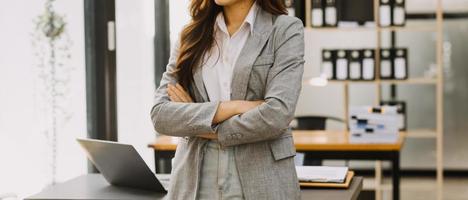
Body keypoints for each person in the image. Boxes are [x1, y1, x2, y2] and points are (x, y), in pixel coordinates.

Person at [150, 0, 304, 199]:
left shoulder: (284, 30)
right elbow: (161, 115)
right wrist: (233, 107)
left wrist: (198, 121)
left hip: (261, 178)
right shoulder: (191, 34)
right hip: (194, 180)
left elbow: (277, 115)